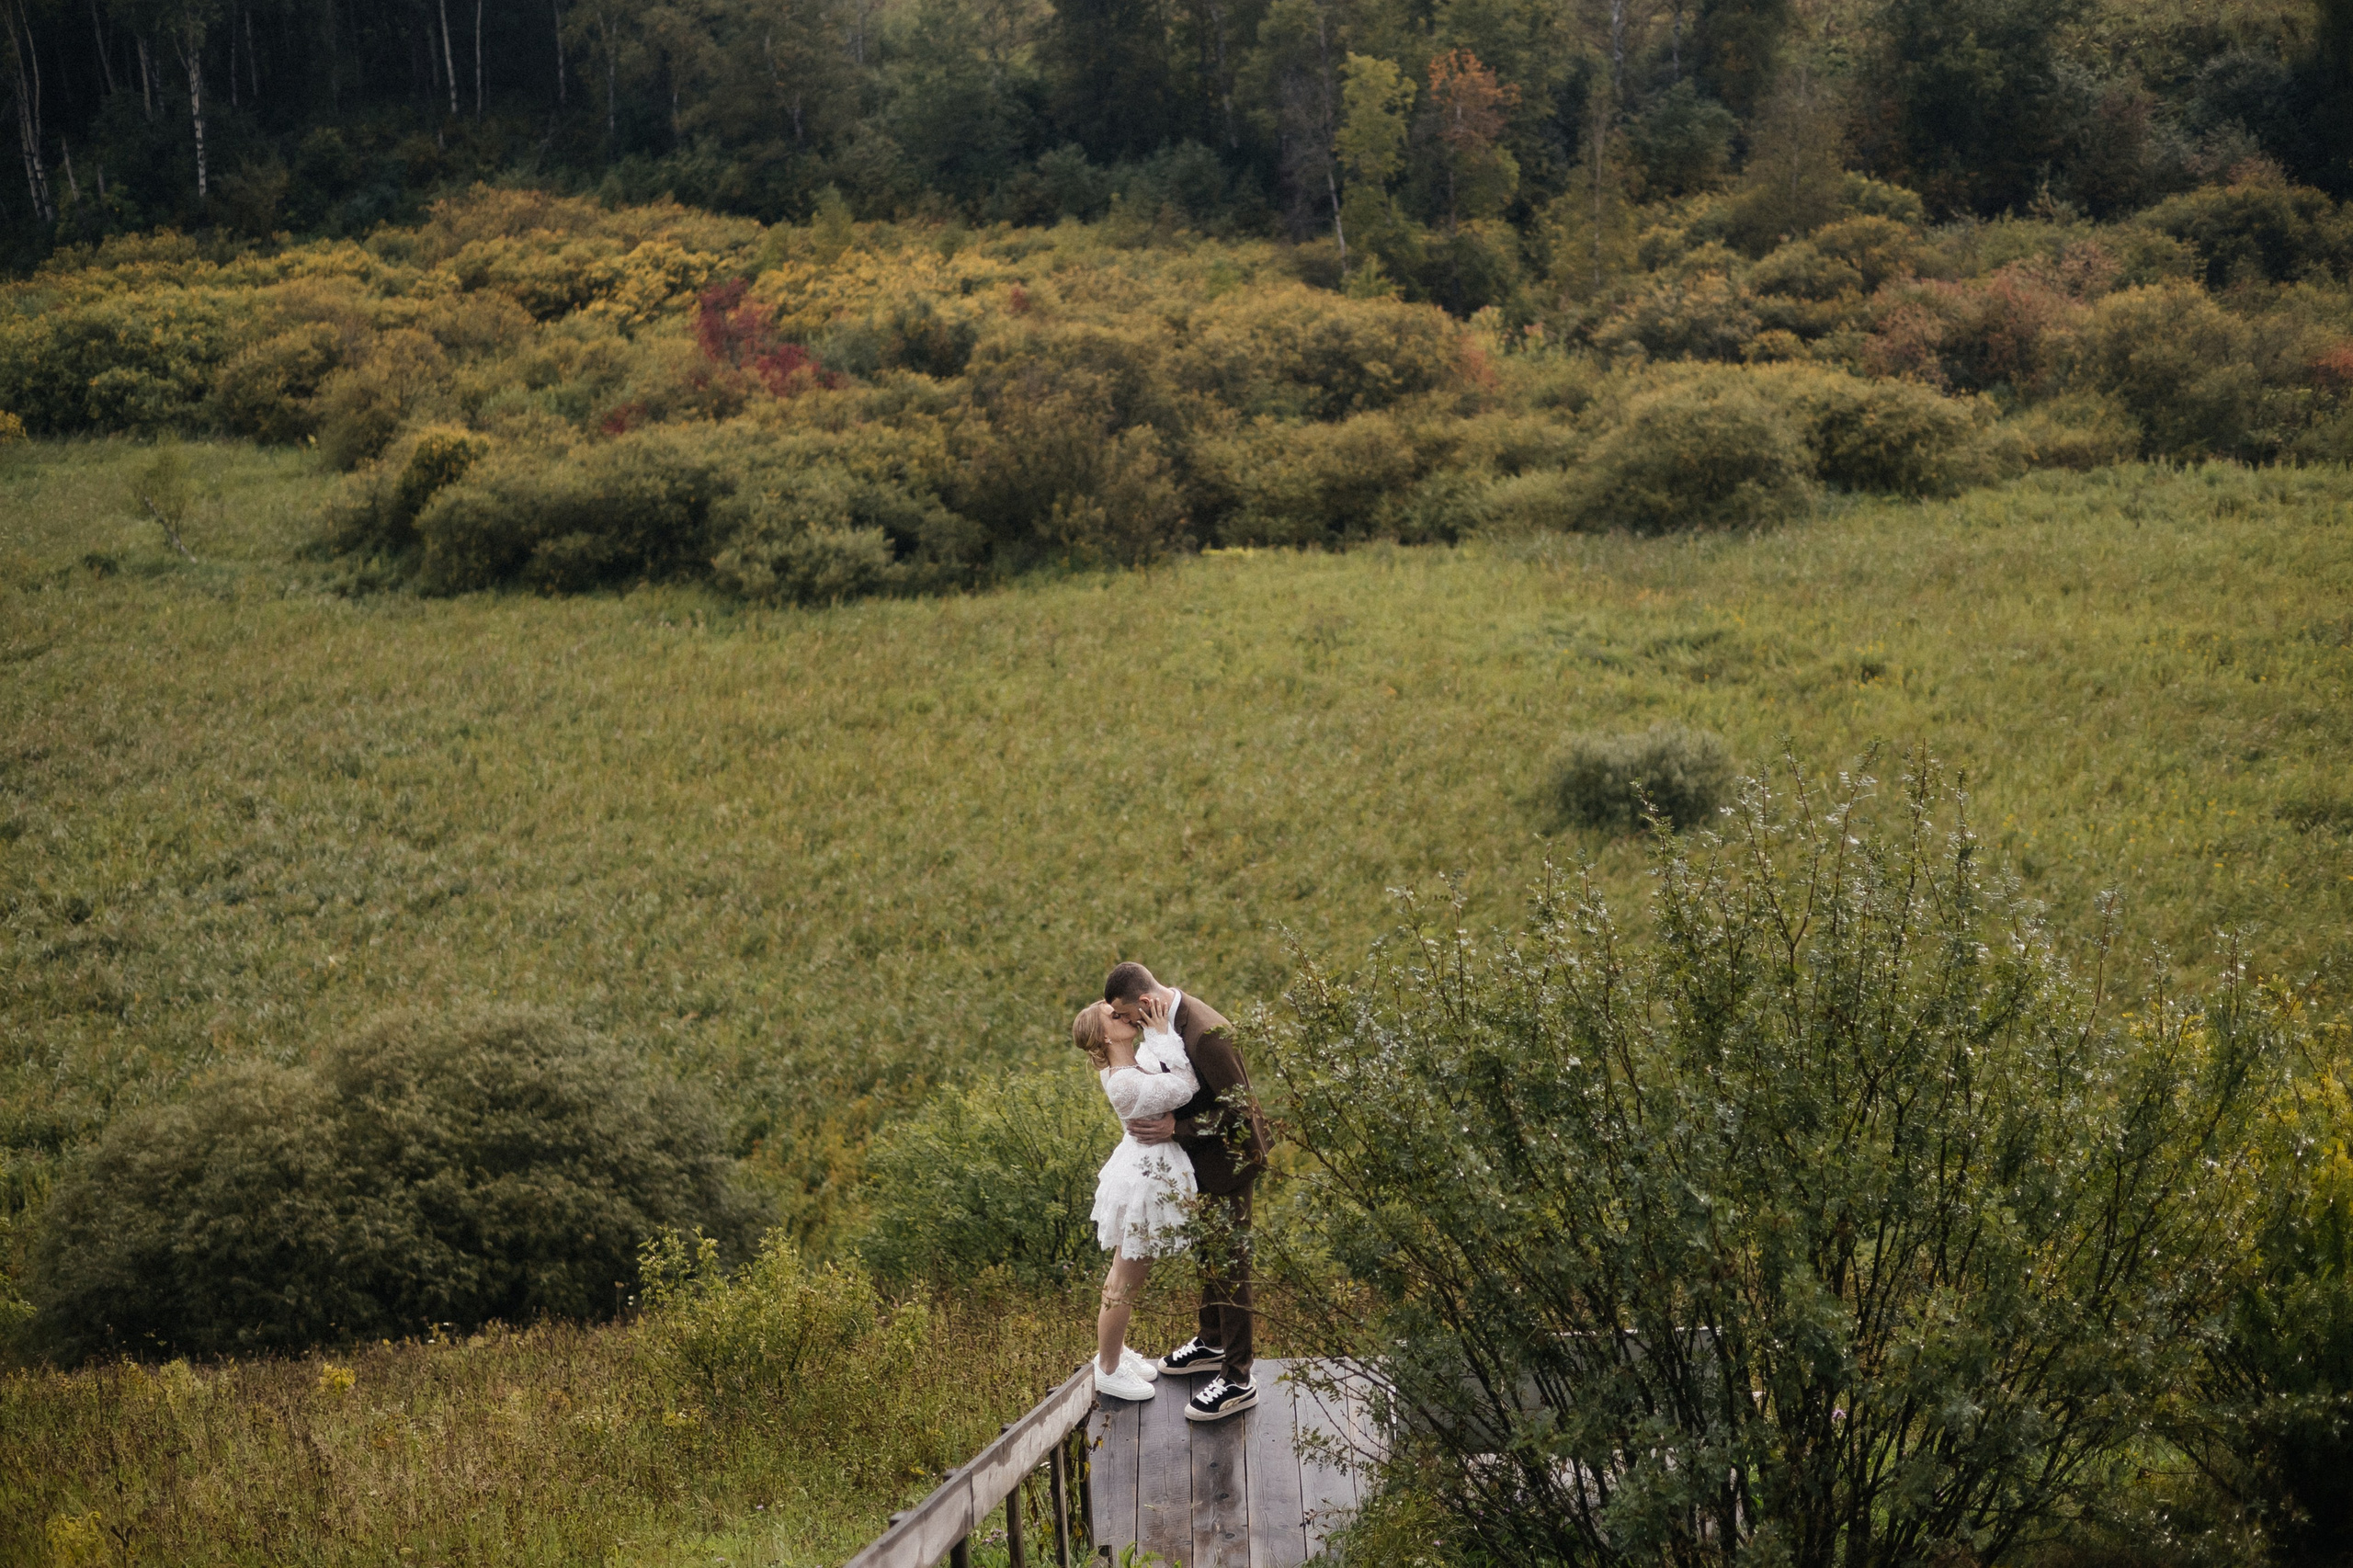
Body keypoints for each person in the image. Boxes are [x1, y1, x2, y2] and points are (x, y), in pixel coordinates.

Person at [1103, 960, 1270, 1423]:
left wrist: (1178, 1126)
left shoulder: (1204, 1034)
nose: (1129, 1025)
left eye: (1126, 1015)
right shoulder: (1166, 1023)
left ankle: (1238, 1378)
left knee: (1231, 1263)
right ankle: (1211, 1342)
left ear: (1144, 1002)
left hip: (1233, 1161)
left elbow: (1243, 1113)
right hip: (1200, 1161)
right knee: (1209, 1254)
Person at [1074, 993, 1198, 1400]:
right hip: (1143, 1182)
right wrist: (1163, 1033)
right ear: (1106, 1037)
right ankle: (1108, 1367)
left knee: (1123, 1274)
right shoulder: (1125, 1081)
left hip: (1141, 1172)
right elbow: (1185, 1087)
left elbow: (1157, 1069)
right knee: (1126, 1280)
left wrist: (1155, 1037)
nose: (1123, 1015)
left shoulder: (1130, 1065)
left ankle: (1113, 1351)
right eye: (1113, 1016)